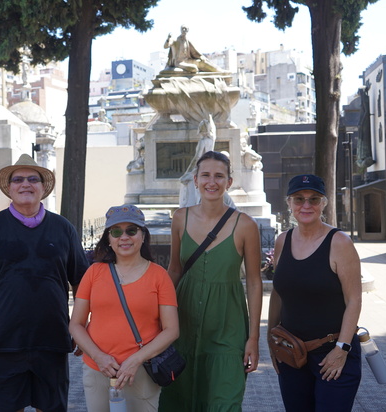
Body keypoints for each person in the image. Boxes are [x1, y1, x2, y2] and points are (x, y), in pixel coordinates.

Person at [0, 154, 88, 412]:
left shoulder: (63, 228)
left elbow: (82, 283)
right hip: (3, 341)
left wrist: (80, 326)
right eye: (18, 180)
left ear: (43, 187)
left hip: (52, 339)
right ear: (9, 188)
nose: (25, 184)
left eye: (32, 179)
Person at [159, 151, 262, 411]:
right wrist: (157, 319)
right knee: (179, 398)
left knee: (225, 400)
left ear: (229, 181)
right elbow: (174, 270)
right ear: (195, 180)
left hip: (228, 323)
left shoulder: (245, 225)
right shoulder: (180, 218)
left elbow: (254, 282)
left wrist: (253, 338)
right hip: (183, 320)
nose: (211, 182)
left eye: (219, 176)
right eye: (205, 175)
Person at [69, 205, 179, 411]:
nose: (124, 237)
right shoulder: (94, 273)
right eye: (116, 232)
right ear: (108, 239)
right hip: (98, 370)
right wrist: (98, 356)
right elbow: (76, 324)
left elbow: (172, 330)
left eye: (131, 230)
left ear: (143, 236)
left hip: (141, 372)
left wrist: (135, 360)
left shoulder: (159, 276)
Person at [269, 174, 362, 411]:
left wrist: (342, 349)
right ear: (289, 203)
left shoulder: (339, 243)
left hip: (332, 354)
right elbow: (278, 294)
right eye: (299, 199)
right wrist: (272, 340)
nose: (306, 205)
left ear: (324, 203)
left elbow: (354, 300)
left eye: (314, 199)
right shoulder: (282, 241)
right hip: (291, 352)